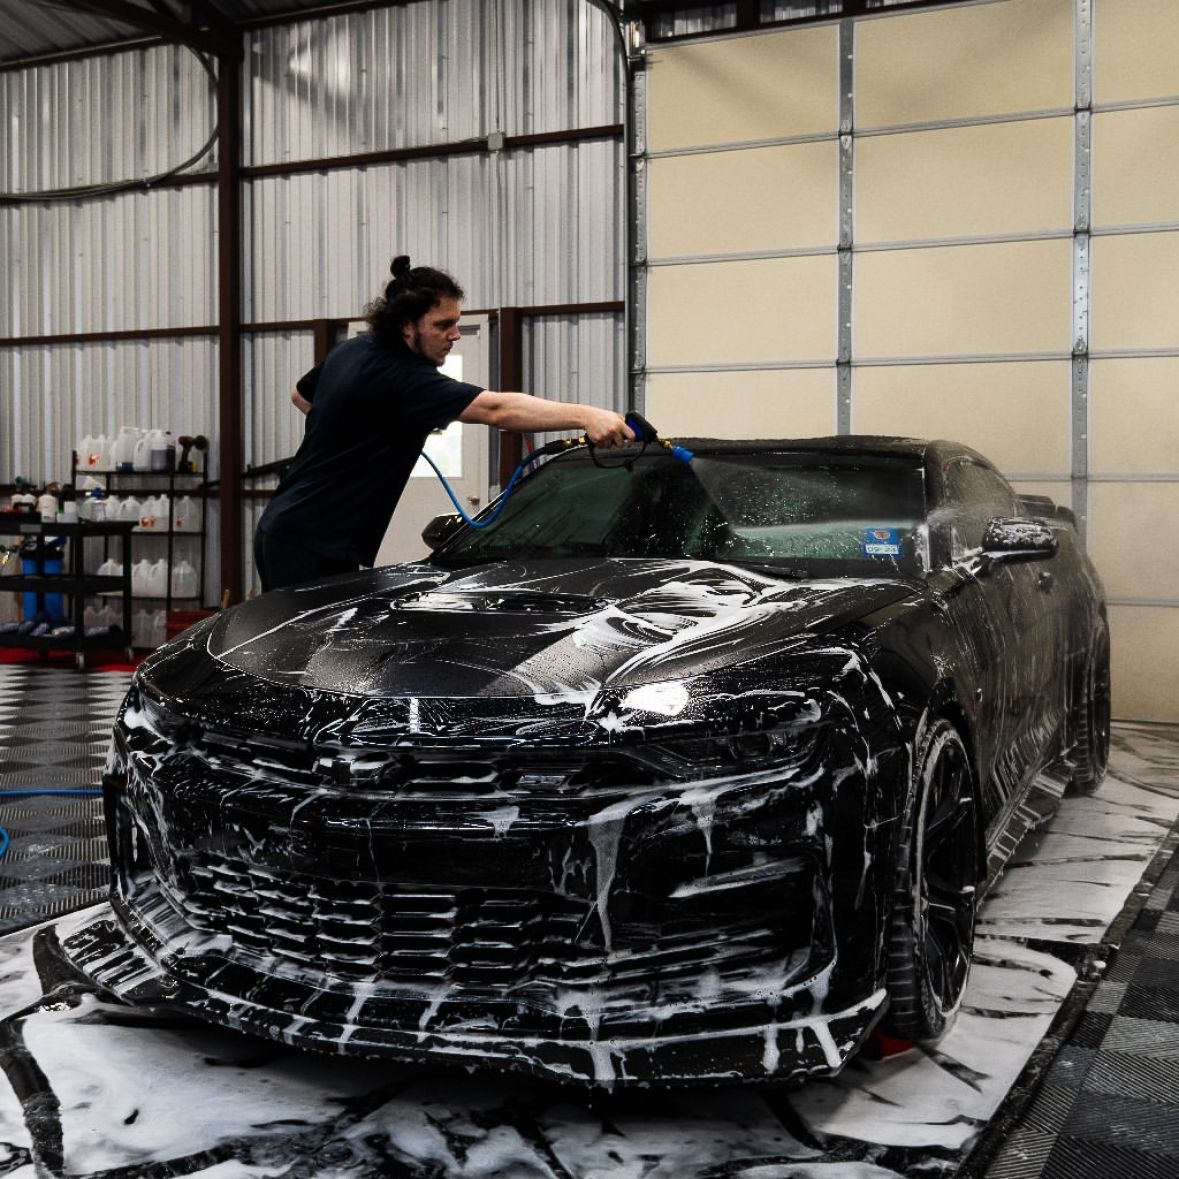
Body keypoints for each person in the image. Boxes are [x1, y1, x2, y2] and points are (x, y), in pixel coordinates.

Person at [254, 256, 633, 591]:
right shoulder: (404, 378)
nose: (454, 334)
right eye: (443, 325)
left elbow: (301, 396)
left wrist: (360, 431)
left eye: (457, 323)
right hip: (308, 542)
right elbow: (496, 410)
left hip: (292, 530)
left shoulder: (355, 349)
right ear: (407, 326)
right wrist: (586, 415)